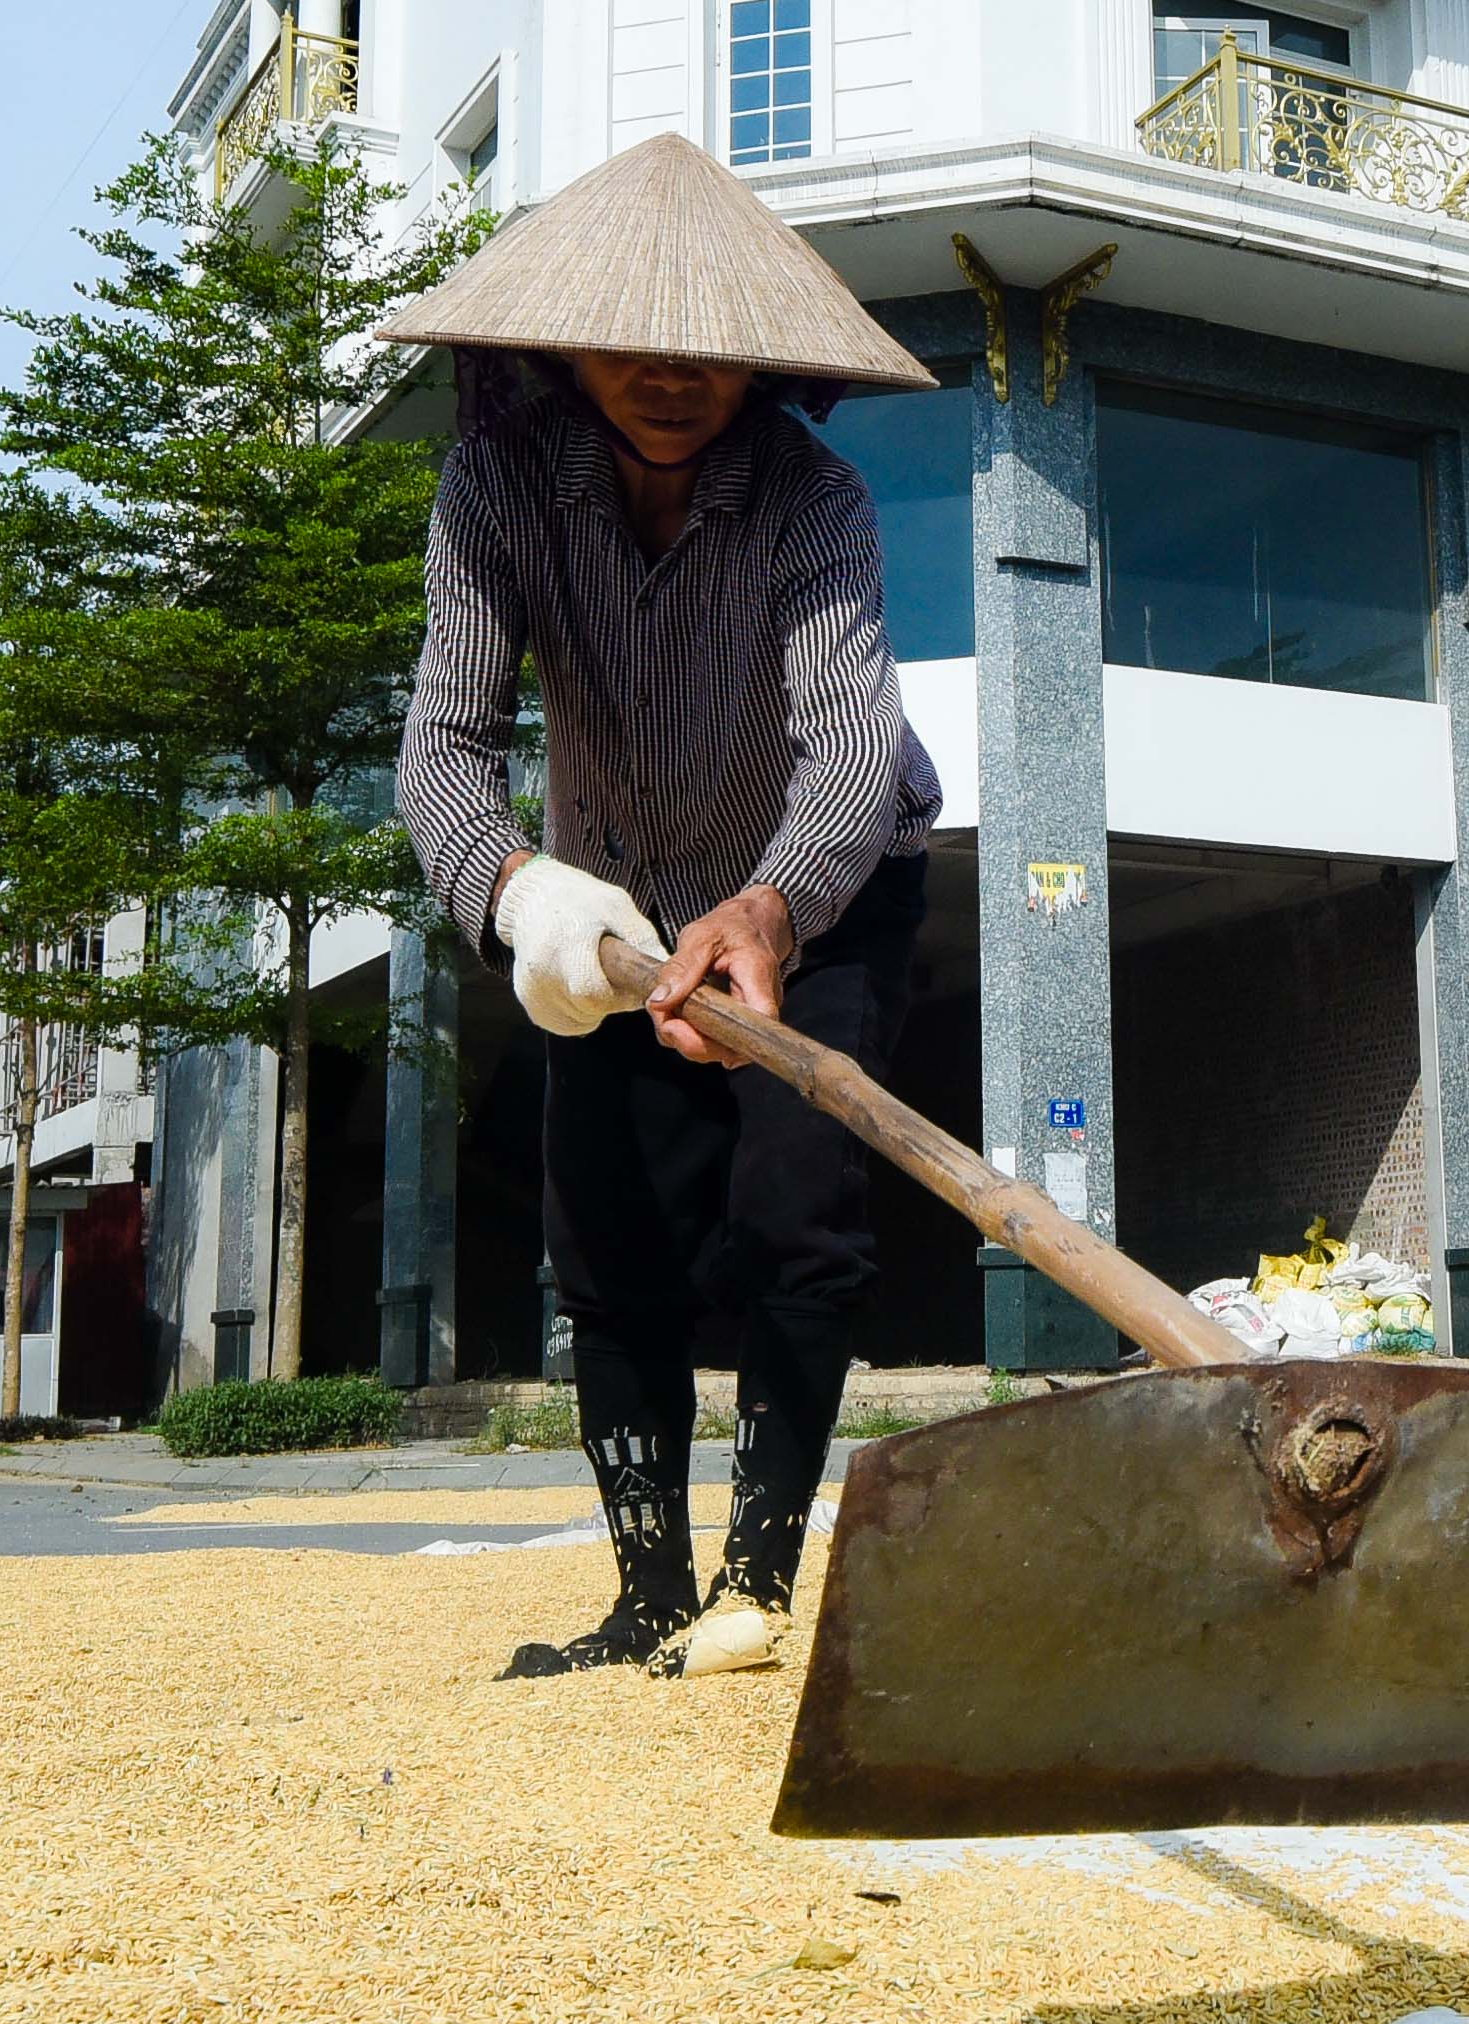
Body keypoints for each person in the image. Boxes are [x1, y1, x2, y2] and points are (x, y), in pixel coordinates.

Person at [380, 133, 947, 1681]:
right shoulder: (495, 490)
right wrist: (515, 889)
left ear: (760, 356)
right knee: (608, 1235)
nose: (672, 372)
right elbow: (445, 741)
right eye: (633, 336)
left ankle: (755, 1585)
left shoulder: (813, 505)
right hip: (608, 914)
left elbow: (845, 744)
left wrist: (769, 910)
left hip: (820, 894)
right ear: (563, 339)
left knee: (792, 1212)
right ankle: (646, 1589)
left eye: (709, 345)